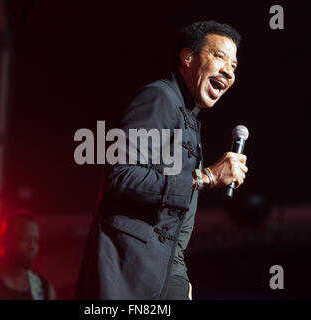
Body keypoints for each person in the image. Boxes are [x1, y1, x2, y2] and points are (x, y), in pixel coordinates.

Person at [75, 20, 248, 300]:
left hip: (163, 274)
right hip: (128, 278)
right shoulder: (158, 97)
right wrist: (207, 177)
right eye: (219, 56)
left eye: (234, 66)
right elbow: (121, 176)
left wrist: (179, 277)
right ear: (187, 57)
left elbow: (170, 223)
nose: (228, 70)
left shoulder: (188, 118)